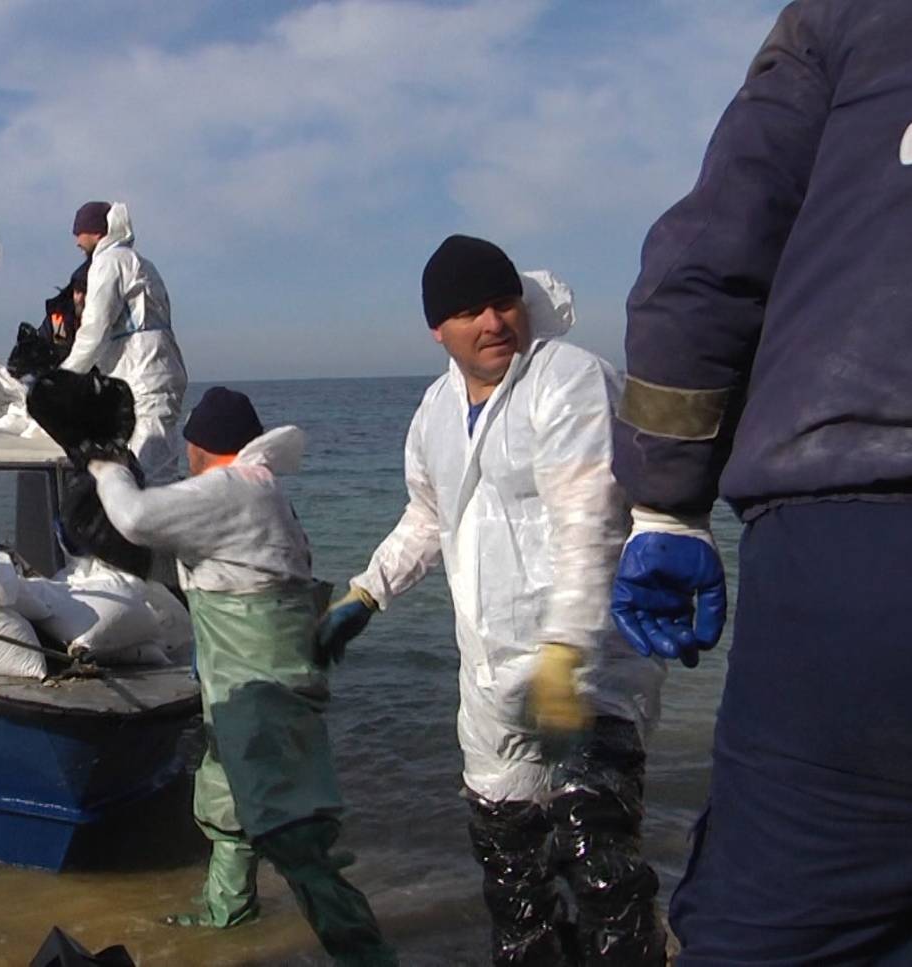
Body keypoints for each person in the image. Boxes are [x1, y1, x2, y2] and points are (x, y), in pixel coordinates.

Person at [610, 3, 912, 960]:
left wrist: (667, 506)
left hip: (858, 531)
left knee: (781, 926)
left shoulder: (848, 17)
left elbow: (706, 265)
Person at [323, 237, 667, 965]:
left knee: (596, 857)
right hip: (488, 680)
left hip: (589, 668)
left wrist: (564, 648)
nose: (491, 321)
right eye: (468, 310)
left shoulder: (565, 379)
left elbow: (588, 522)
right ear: (436, 329)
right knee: (510, 870)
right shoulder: (434, 411)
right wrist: (365, 592)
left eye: (501, 301)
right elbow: (428, 515)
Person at [88, 386, 397, 967]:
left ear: (199, 448)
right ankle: (230, 912)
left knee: (291, 831)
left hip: (264, 693)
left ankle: (367, 956)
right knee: (226, 798)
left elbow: (134, 517)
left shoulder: (232, 489)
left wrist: (105, 467)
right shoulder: (258, 490)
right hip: (239, 684)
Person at [60, 201, 187, 485]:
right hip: (154, 370)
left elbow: (94, 329)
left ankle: (152, 526)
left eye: (79, 232)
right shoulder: (141, 263)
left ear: (95, 232)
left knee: (150, 470)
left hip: (143, 376)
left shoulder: (109, 262)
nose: (76, 242)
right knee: (155, 468)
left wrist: (63, 378)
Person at [40, 258, 90, 353]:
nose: (80, 298)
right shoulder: (57, 319)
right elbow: (40, 345)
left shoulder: (108, 321)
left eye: (85, 292)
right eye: (77, 291)